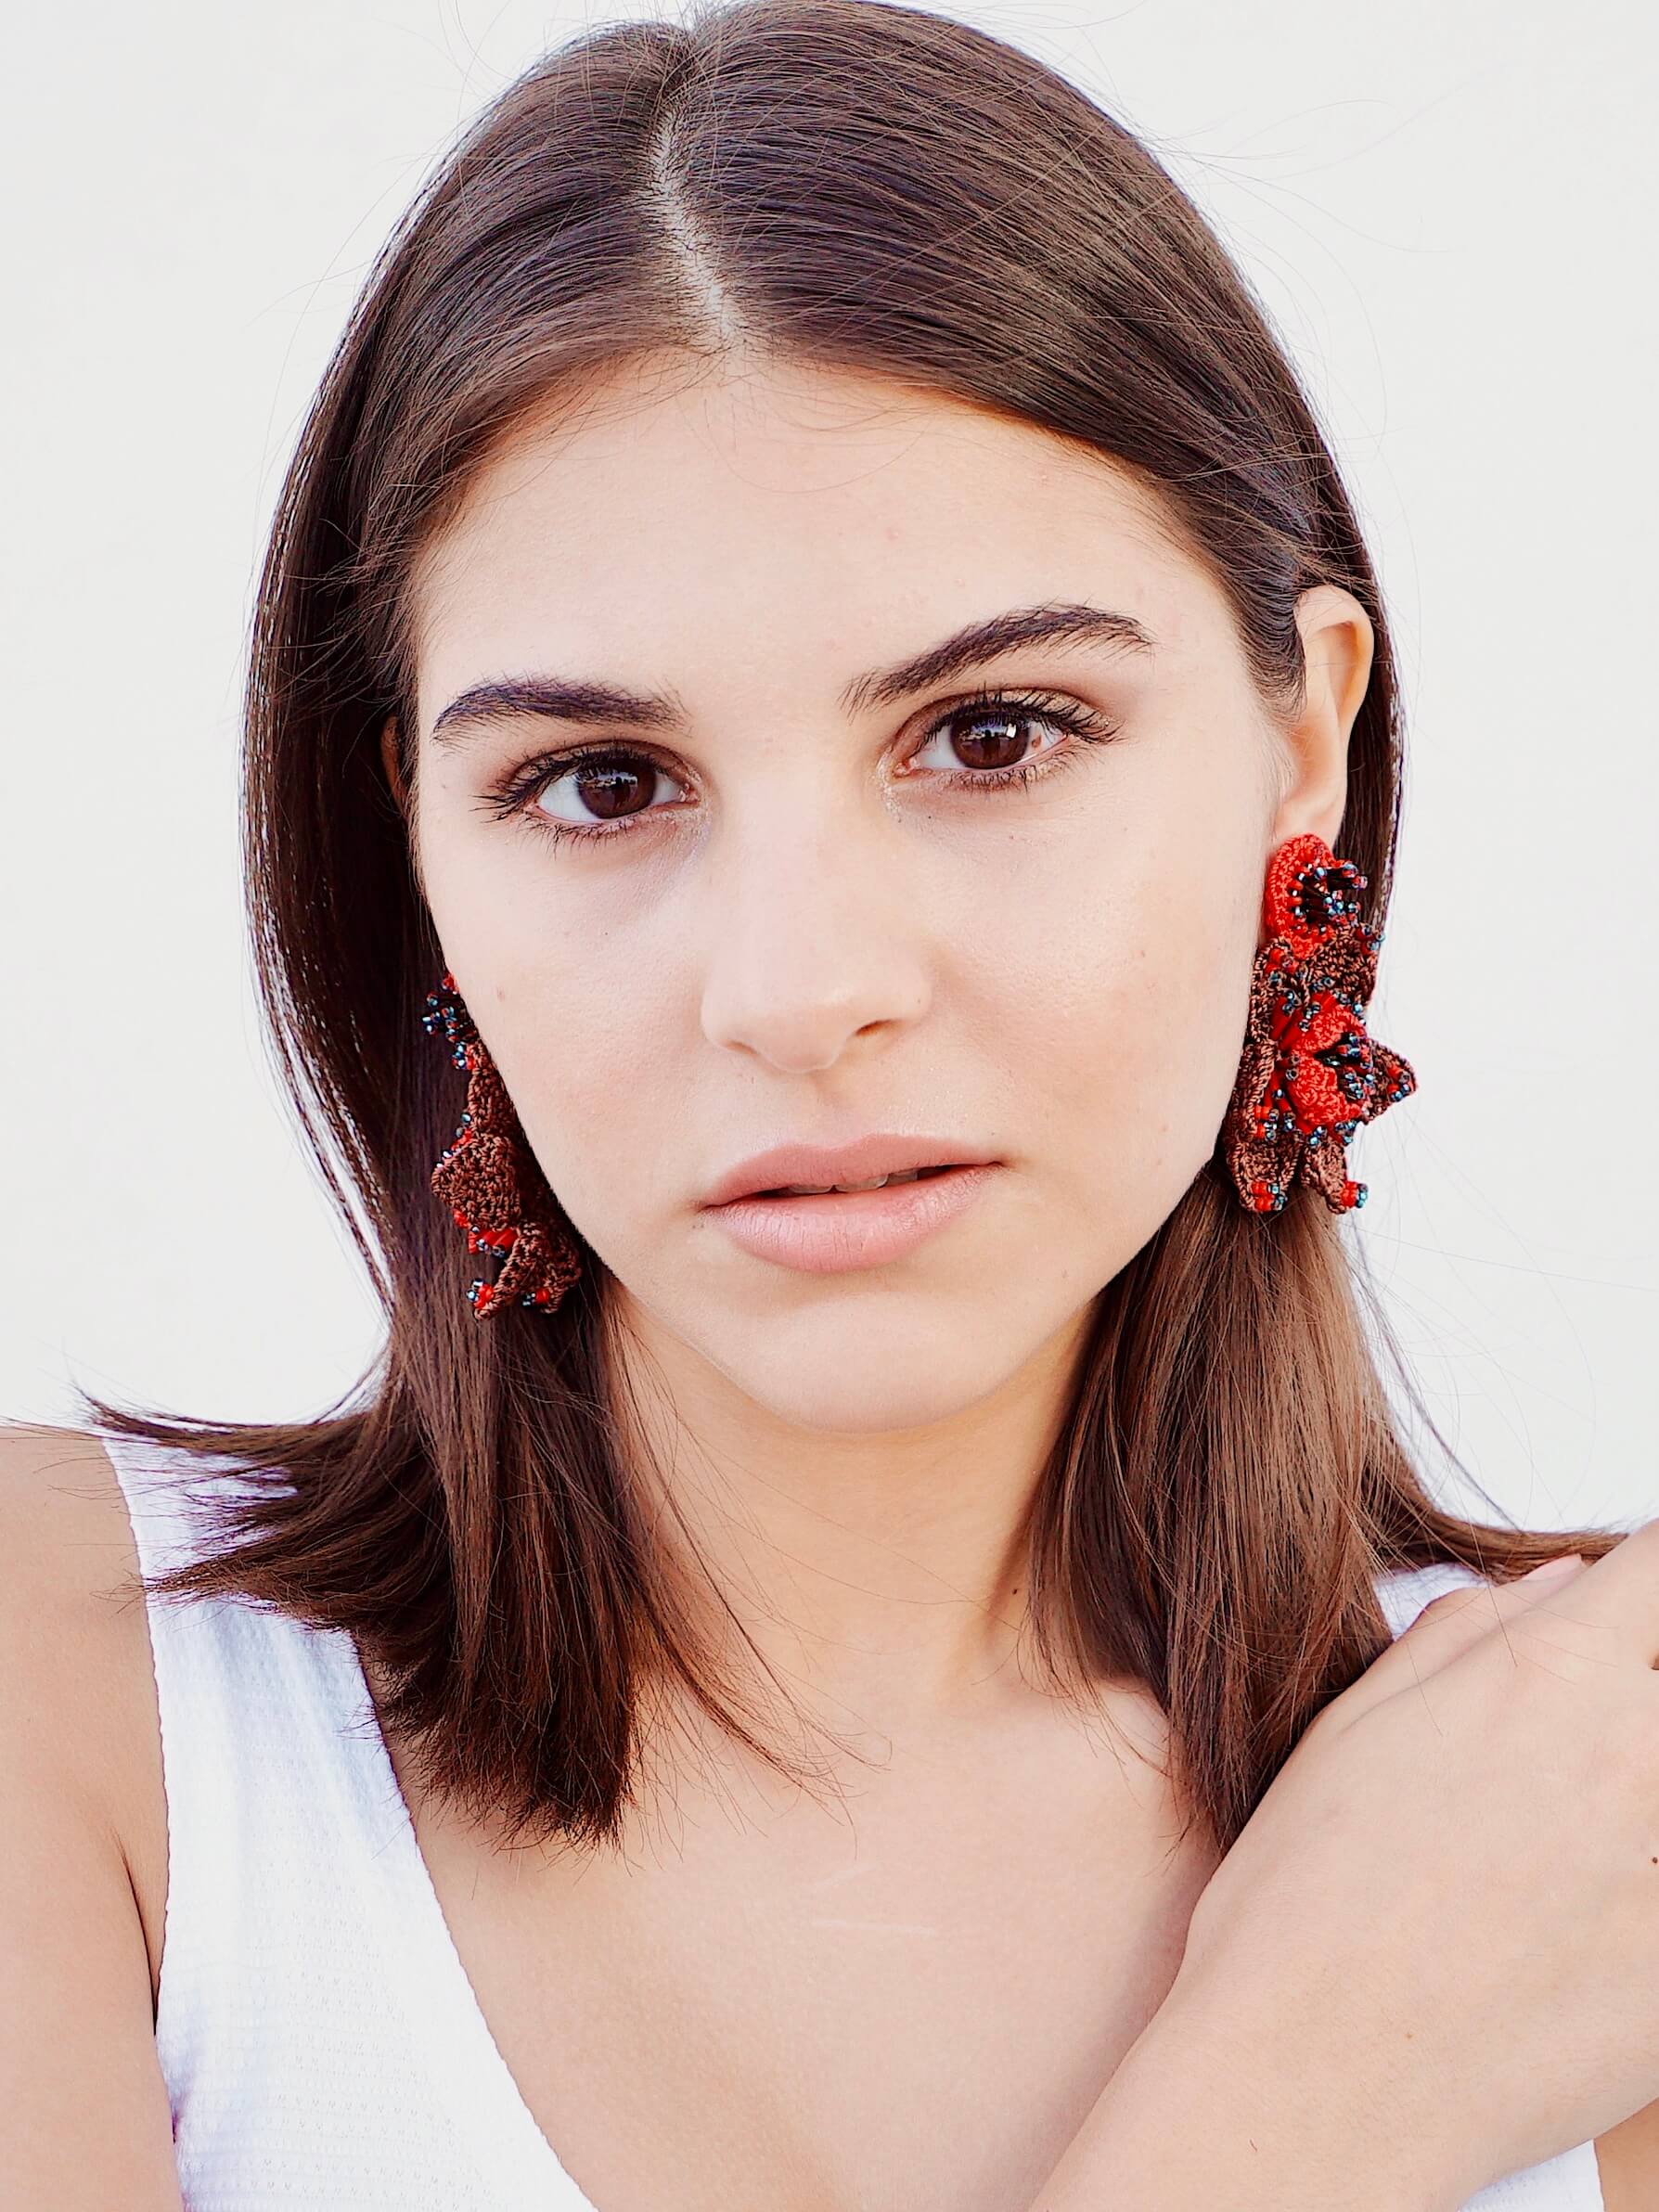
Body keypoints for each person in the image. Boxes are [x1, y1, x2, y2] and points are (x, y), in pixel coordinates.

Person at [5, 1, 1657, 2206]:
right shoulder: (76, 1701)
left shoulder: (1599, 1811)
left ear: (1302, 744)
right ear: (418, 845)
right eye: (602, 785)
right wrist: (1312, 2098)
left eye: (994, 736)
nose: (801, 994)